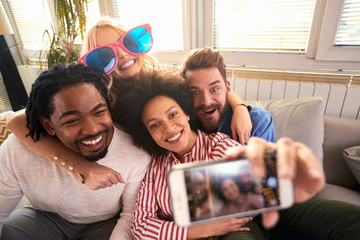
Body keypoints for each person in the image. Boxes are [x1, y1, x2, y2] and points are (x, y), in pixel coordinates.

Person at [7, 19, 253, 189]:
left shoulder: (165, 81)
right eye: (106, 53)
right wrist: (79, 167)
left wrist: (239, 105)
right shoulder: (99, 102)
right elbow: (16, 120)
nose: (123, 54)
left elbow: (205, 90)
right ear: (95, 64)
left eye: (127, 42)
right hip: (149, 180)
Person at [0, 64, 150, 239]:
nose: (92, 129)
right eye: (72, 121)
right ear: (49, 125)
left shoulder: (135, 152)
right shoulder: (16, 150)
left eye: (99, 112)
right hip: (46, 217)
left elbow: (131, 214)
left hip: (106, 222)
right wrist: (84, 168)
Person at [113, 70, 253, 239]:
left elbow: (262, 181)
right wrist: (207, 229)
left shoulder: (218, 146)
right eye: (155, 125)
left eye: (173, 115)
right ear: (147, 134)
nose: (169, 128)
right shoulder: (154, 167)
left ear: (186, 113)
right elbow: (141, 227)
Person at [180, 47, 275, 143]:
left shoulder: (258, 123)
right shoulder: (182, 121)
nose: (206, 101)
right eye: (195, 93)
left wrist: (239, 106)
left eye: (214, 89)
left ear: (227, 88)